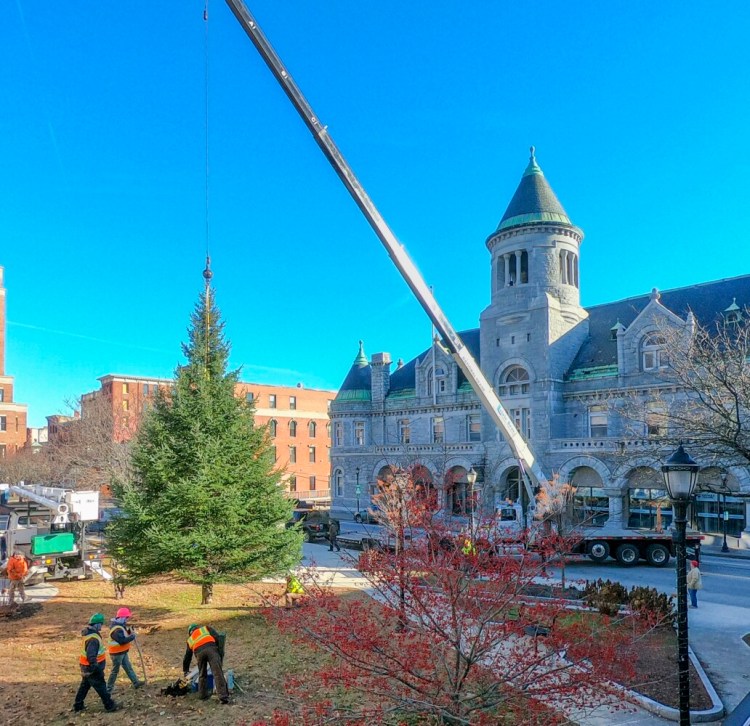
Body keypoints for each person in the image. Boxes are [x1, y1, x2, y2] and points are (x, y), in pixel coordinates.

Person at [73, 613, 120, 713]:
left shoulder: (89, 634)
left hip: (85, 666)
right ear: (97, 624)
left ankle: (78, 705)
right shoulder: (93, 638)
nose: (101, 627)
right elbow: (91, 655)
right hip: (92, 667)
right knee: (101, 686)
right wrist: (96, 667)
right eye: (101, 624)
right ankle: (109, 705)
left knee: (85, 686)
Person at [182, 624, 229, 704]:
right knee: (217, 673)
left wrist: (185, 669)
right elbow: (217, 637)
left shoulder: (190, 640)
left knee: (202, 674)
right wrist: (218, 650)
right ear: (197, 628)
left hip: (199, 654)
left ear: (190, 632)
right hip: (211, 649)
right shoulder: (205, 629)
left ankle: (202, 695)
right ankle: (223, 696)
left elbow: (187, 656)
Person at [106, 607, 145, 693]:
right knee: (115, 671)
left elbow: (124, 635)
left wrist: (130, 631)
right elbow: (122, 641)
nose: (126, 620)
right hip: (116, 654)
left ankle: (136, 682)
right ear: (121, 617)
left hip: (122, 652)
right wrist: (132, 636)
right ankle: (108, 688)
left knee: (128, 667)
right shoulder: (116, 630)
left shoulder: (120, 626)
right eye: (126, 618)